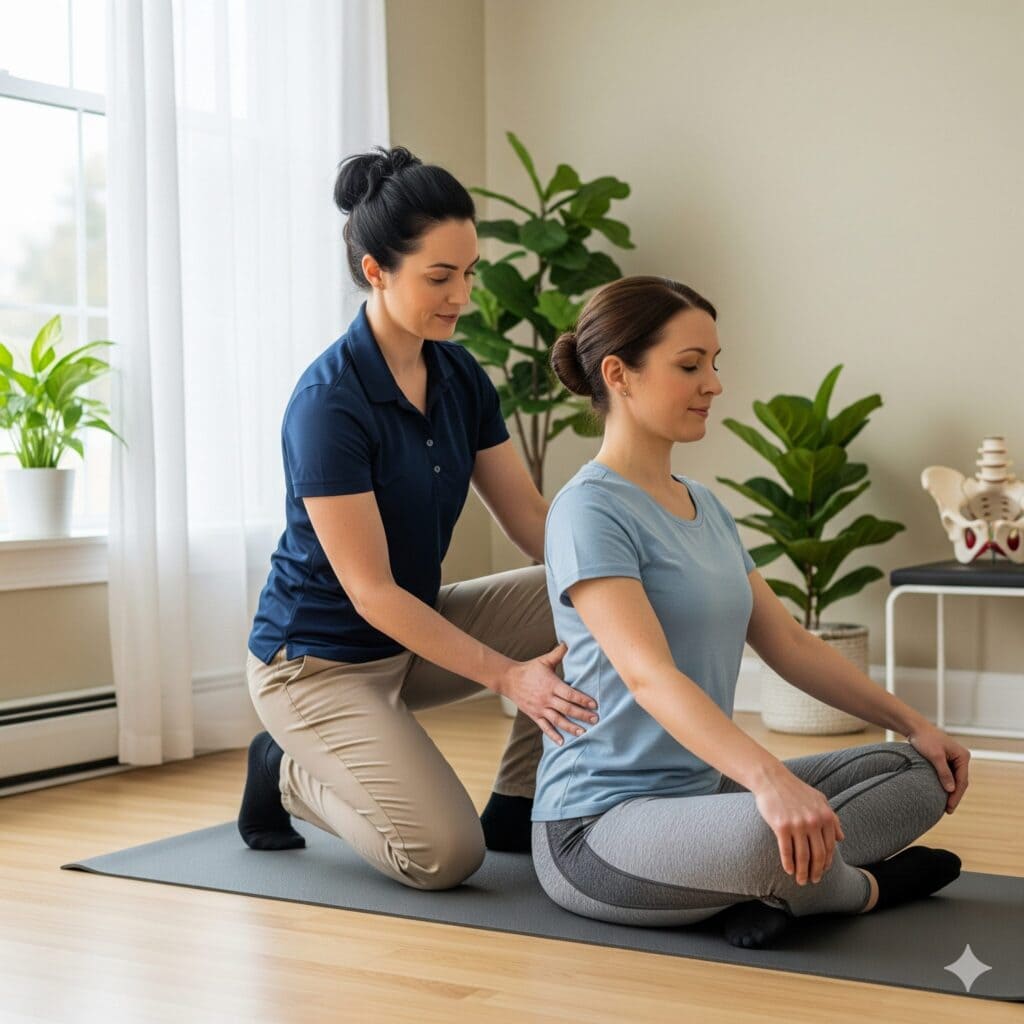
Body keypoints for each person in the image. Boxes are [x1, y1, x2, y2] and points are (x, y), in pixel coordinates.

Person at [531, 275, 970, 948]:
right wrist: (767, 778)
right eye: (690, 366)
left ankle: (770, 890)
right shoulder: (587, 510)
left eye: (714, 363)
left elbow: (789, 644)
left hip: (707, 798)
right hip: (597, 828)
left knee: (920, 772)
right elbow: (649, 676)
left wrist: (916, 724)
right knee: (771, 836)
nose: (714, 384)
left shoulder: (705, 506)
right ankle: (862, 890)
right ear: (618, 375)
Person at [237, 145, 600, 890]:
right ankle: (286, 774)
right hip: (317, 666)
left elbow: (530, 519)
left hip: (409, 639)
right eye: (440, 277)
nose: (461, 295)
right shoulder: (328, 404)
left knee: (582, 590)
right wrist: (510, 678)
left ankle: (518, 799)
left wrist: (621, 576)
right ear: (376, 270)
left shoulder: (459, 375)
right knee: (443, 856)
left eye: (469, 272)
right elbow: (371, 592)